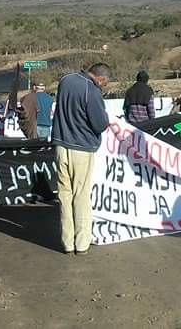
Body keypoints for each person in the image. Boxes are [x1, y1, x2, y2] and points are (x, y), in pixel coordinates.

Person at [51, 63, 111, 255]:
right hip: (82, 149)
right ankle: (82, 243)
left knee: (64, 195)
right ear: (100, 79)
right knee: (81, 196)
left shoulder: (65, 80)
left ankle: (67, 242)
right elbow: (100, 124)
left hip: (61, 145)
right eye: (104, 83)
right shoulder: (91, 90)